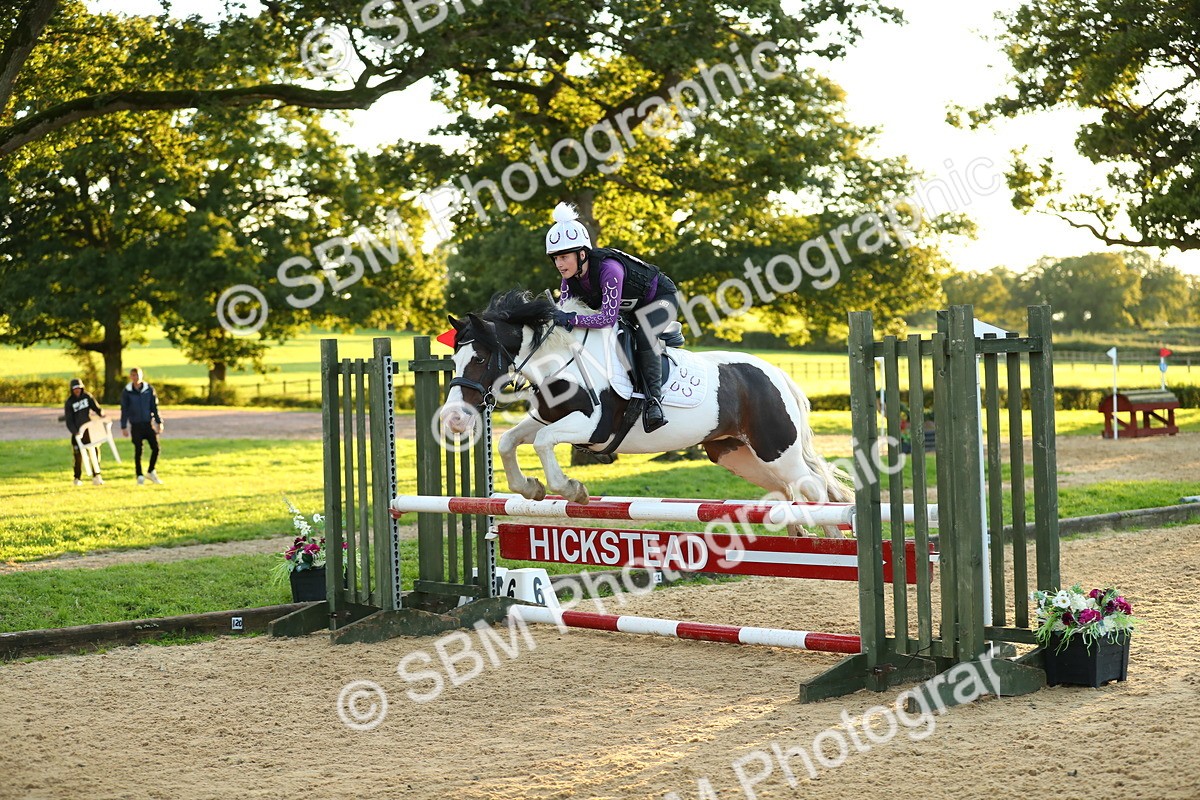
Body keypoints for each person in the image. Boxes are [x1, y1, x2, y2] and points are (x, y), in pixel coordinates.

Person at [546, 202, 680, 432]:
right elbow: (565, 314)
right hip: (630, 309)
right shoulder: (569, 279)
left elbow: (605, 319)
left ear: (581, 254)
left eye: (564, 257)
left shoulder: (609, 270)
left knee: (646, 335)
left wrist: (570, 319)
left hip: (661, 299)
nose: (559, 264)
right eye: (555, 258)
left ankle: (653, 402)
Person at [120, 367, 164, 485]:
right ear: (131, 377)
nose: (136, 377)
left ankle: (151, 471)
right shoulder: (127, 391)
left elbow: (154, 407)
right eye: (133, 375)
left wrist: (159, 422)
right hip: (135, 425)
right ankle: (139, 475)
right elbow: (124, 409)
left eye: (138, 375)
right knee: (138, 450)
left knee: (156, 448)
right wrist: (123, 426)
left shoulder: (148, 389)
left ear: (141, 375)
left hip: (148, 424)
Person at [64, 377, 106, 486]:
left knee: (95, 452)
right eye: (75, 389)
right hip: (78, 433)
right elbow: (69, 420)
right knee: (78, 456)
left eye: (79, 388)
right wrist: (75, 432)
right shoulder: (69, 402)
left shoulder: (87, 397)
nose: (77, 390)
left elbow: (96, 408)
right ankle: (77, 478)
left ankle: (97, 476)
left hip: (89, 431)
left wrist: (101, 414)